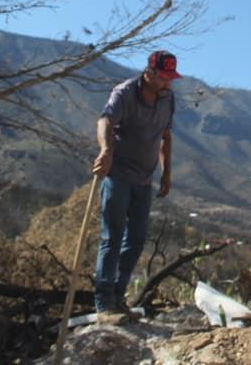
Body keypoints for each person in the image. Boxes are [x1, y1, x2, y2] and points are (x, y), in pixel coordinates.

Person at [92, 50, 180, 323]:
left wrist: (166, 173)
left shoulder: (168, 99)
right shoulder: (125, 92)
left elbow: (165, 136)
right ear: (150, 72)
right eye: (164, 77)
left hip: (145, 179)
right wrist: (106, 150)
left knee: (136, 240)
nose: (169, 83)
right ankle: (104, 303)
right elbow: (105, 120)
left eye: (171, 78)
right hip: (118, 175)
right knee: (112, 237)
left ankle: (118, 298)